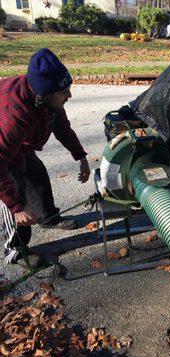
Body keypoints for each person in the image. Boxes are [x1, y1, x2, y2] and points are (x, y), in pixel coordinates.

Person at [0, 48, 90, 268]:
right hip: (2, 145)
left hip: (21, 143)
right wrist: (16, 207)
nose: (70, 95)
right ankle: (15, 250)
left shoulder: (49, 100)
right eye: (65, 92)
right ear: (46, 95)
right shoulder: (15, 115)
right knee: (16, 188)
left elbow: (62, 128)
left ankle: (47, 218)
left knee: (37, 175)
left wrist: (81, 156)